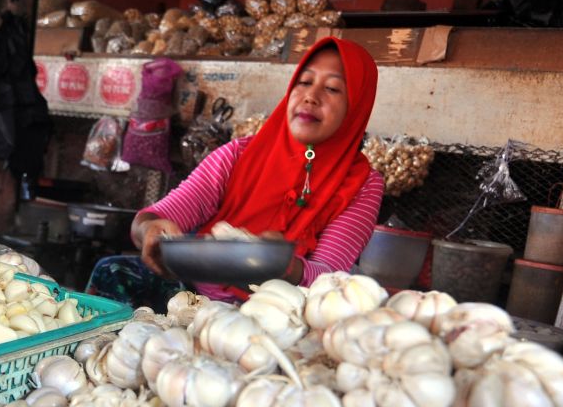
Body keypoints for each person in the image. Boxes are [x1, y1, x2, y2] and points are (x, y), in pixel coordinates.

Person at [87, 36, 384, 308]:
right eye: (304, 82)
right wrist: (149, 230)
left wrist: (282, 265)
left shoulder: (362, 185)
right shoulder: (238, 154)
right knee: (112, 271)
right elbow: (159, 215)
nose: (311, 96)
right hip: (193, 297)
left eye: (332, 88)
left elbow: (328, 279)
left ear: (356, 107)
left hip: (278, 311)